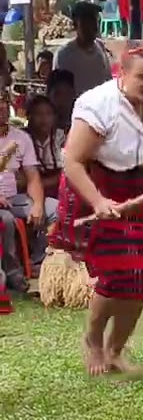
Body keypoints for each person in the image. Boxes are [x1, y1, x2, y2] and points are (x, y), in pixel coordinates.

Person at [55, 43, 143, 376]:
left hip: (137, 192)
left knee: (142, 279)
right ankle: (93, 340)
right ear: (122, 73)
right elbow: (72, 161)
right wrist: (98, 202)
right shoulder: (98, 105)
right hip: (97, 187)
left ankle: (116, 350)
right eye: (142, 78)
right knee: (116, 275)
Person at [1, 94, 51, 292]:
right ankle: (14, 273)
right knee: (5, 220)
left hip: (14, 198)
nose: (1, 109)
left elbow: (32, 178)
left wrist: (38, 204)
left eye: (4, 104)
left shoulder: (20, 138)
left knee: (53, 209)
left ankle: (38, 264)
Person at [53, 2, 113, 96]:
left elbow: (108, 82)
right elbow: (58, 92)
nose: (92, 27)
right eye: (86, 23)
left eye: (94, 21)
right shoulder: (64, 54)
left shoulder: (100, 48)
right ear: (75, 25)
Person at [23, 95, 64, 203]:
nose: (44, 118)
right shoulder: (21, 138)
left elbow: (69, 171)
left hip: (58, 193)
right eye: (38, 114)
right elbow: (19, 180)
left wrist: (43, 183)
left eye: (48, 114)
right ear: (29, 116)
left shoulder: (62, 137)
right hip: (28, 195)